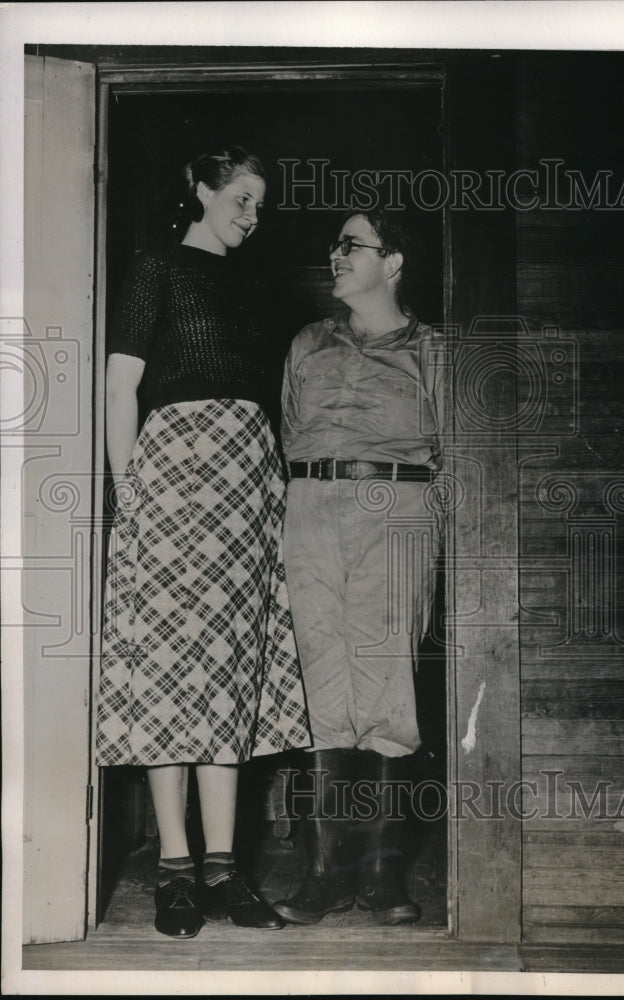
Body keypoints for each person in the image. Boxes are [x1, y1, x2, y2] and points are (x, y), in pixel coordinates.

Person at [95, 145, 311, 939]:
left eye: (261, 204)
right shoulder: (156, 266)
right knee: (169, 663)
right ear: (201, 190)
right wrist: (132, 496)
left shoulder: (254, 284)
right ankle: (176, 868)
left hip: (249, 478)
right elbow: (122, 384)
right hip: (175, 471)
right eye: (241, 198)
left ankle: (225, 868)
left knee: (229, 663)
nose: (251, 217)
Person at [274, 208, 445, 927]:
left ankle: (378, 872)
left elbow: (457, 450)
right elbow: (286, 432)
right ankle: (320, 875)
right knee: (319, 688)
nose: (336, 254)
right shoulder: (308, 342)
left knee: (386, 691)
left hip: (396, 510)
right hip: (309, 509)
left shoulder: (435, 351)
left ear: (395, 262)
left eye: (353, 244)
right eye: (336, 244)